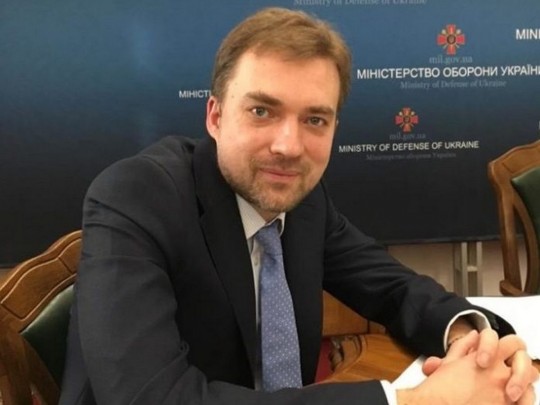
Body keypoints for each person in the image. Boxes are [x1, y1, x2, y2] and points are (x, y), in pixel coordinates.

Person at [59, 7, 537, 405]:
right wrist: (412, 402)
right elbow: (151, 398)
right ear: (216, 116)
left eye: (314, 120)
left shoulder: (302, 200)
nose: (289, 146)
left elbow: (393, 288)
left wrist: (472, 338)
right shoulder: (137, 198)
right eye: (261, 111)